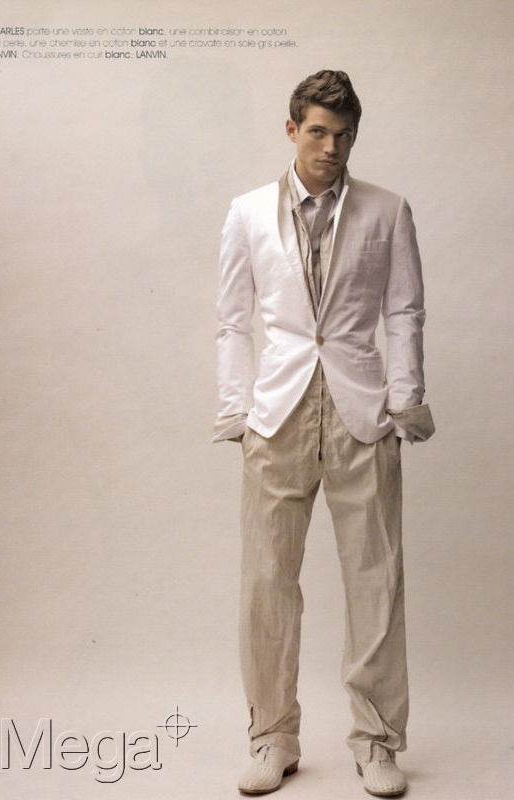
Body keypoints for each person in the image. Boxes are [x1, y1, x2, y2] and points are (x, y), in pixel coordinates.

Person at [213, 70, 434, 797]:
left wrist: (403, 400)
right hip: (276, 415)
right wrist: (236, 411)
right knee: (266, 583)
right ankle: (272, 737)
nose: (331, 147)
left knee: (376, 580)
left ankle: (377, 741)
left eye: (343, 135)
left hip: (360, 413)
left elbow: (404, 311)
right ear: (292, 130)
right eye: (317, 131)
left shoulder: (387, 210)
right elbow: (233, 321)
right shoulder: (247, 211)